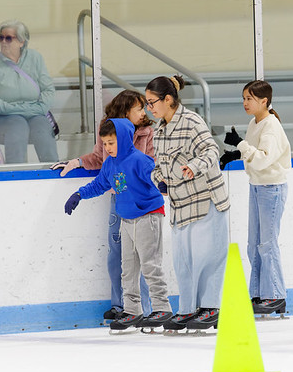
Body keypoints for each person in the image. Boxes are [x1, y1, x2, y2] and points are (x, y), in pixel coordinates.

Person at [51, 90, 154, 321]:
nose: (144, 112)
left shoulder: (146, 131)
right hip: (118, 200)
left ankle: (146, 309)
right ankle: (120, 305)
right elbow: (100, 159)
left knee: (142, 255)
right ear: (126, 110)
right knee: (116, 253)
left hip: (141, 200)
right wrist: (77, 162)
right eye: (139, 108)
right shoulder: (107, 128)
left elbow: (150, 164)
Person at [64, 119, 173, 333]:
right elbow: (99, 184)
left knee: (150, 266)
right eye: (104, 144)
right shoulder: (110, 164)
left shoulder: (140, 160)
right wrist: (79, 194)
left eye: (111, 143)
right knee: (128, 269)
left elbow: (155, 177)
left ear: (123, 139)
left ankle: (162, 308)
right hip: (126, 219)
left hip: (147, 216)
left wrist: (162, 184)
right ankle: (132, 310)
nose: (107, 148)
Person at [145, 75, 230, 332]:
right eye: (147, 103)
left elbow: (211, 151)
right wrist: (158, 179)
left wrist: (193, 167)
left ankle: (211, 308)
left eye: (152, 102)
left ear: (168, 99)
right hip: (181, 204)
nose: (150, 108)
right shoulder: (159, 130)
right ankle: (188, 309)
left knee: (208, 256)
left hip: (205, 199)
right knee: (183, 260)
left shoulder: (191, 121)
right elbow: (159, 165)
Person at [220, 80, 292, 317]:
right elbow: (252, 151)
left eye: (249, 99)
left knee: (267, 244)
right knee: (254, 244)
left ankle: (276, 295)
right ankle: (260, 293)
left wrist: (240, 144)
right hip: (257, 186)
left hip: (271, 188)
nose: (245, 103)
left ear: (264, 101)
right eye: (243, 98)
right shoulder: (255, 122)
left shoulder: (271, 126)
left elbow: (262, 159)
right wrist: (235, 154)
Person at [0, 19, 58, 164]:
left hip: (33, 114)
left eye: (8, 38)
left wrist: (39, 108)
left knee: (42, 125)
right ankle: (14, 174)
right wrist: (14, 109)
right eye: (0, 38)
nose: (3, 42)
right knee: (17, 124)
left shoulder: (35, 58)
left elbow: (48, 90)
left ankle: (54, 171)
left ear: (21, 42)